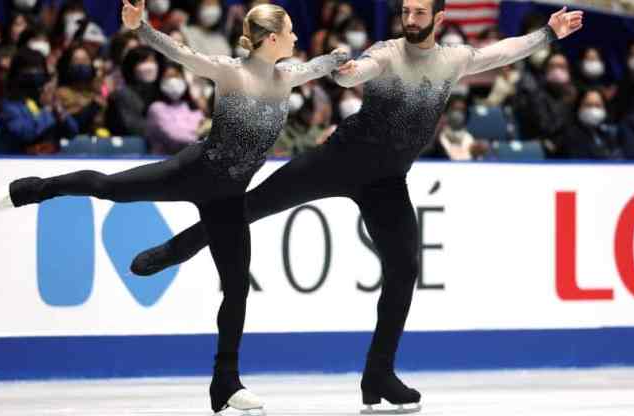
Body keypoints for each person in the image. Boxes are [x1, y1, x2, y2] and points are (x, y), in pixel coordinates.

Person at [130, 1, 583, 413]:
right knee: (251, 206)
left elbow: (501, 52)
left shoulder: (454, 59)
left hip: (387, 181)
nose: (410, 19)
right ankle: (179, 248)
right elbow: (358, 70)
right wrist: (348, 73)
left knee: (404, 268)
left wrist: (547, 33)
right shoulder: (387, 52)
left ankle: (378, 375)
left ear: (439, 19)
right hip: (339, 160)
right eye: (406, 11)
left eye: (420, 13)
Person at [0, 2, 349, 414]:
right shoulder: (230, 71)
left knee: (237, 287)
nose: (297, 37)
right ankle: (30, 189)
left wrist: (339, 59)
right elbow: (180, 53)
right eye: (292, 31)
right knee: (108, 188)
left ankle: (225, 383)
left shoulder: (287, 76)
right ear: (272, 37)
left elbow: (318, 66)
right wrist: (142, 29)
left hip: (228, 197)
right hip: (192, 172)